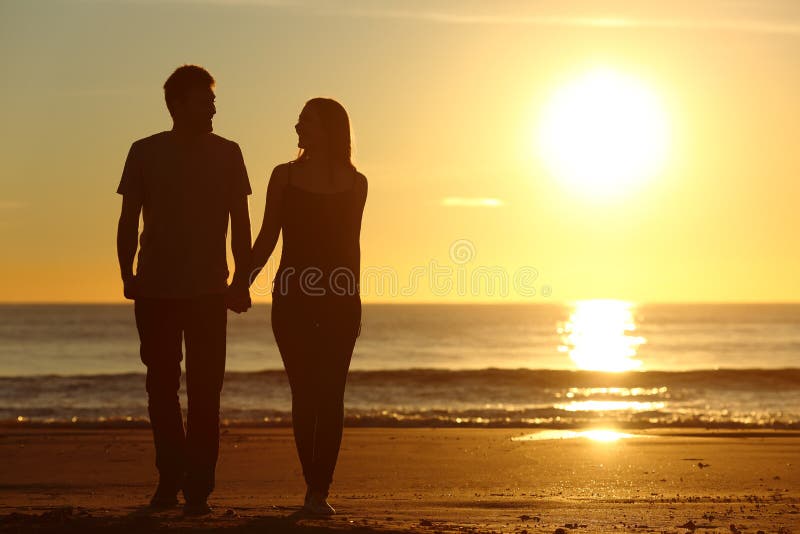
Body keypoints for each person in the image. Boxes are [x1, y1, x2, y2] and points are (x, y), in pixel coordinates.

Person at [115, 64, 253, 516]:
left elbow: (241, 224)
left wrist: (240, 281)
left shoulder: (229, 153)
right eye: (204, 100)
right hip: (155, 290)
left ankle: (199, 485)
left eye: (213, 100)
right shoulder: (144, 152)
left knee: (206, 391)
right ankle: (170, 475)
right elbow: (128, 219)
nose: (213, 108)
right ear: (177, 104)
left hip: (209, 292)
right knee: (161, 388)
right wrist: (126, 274)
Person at [249, 98, 367, 515]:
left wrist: (354, 300)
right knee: (304, 393)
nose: (297, 125)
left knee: (331, 395)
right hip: (293, 297)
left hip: (339, 299)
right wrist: (240, 283)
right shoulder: (284, 177)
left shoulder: (357, 183)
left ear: (329, 130)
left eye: (306, 120)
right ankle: (312, 487)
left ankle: (320, 491)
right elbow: (267, 237)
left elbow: (350, 247)